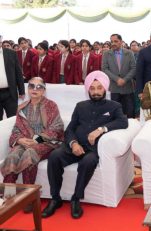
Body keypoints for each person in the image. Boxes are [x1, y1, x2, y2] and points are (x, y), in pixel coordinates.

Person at [41, 71, 128, 219]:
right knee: (54, 156)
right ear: (88, 89)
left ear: (105, 88)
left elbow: (123, 122)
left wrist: (101, 129)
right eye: (92, 88)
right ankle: (55, 198)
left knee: (88, 162)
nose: (95, 92)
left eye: (99, 88)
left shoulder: (114, 106)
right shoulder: (80, 106)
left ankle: (76, 198)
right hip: (74, 146)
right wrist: (73, 143)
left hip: (93, 150)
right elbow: (70, 129)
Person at [1, 77, 64, 213]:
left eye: (39, 87)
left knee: (29, 154)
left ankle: (28, 197)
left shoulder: (51, 106)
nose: (35, 89)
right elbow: (16, 129)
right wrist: (19, 140)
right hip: (25, 141)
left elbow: (57, 128)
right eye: (31, 86)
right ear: (28, 89)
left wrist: (37, 140)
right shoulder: (22, 107)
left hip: (46, 143)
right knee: (12, 156)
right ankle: (9, 196)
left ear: (43, 91)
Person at [102, 34, 137, 118]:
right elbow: (105, 69)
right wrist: (117, 79)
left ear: (121, 42)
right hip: (114, 88)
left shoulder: (129, 53)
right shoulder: (106, 54)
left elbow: (134, 68)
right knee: (115, 113)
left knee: (130, 112)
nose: (113, 43)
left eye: (116, 41)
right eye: (112, 41)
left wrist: (125, 80)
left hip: (127, 87)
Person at [0, 35, 25, 120]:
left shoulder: (11, 53)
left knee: (13, 119)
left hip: (10, 93)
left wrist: (22, 90)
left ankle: (13, 134)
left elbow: (18, 72)